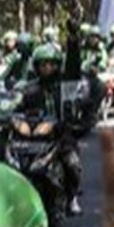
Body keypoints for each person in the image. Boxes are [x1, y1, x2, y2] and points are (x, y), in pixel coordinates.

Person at [15, 42, 87, 215]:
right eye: (43, 64)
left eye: (51, 63)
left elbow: (74, 67)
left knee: (72, 163)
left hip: (60, 135)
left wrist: (73, 40)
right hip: (33, 137)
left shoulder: (65, 85)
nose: (47, 67)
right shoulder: (30, 88)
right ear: (37, 66)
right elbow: (16, 109)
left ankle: (71, 198)